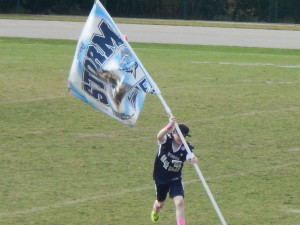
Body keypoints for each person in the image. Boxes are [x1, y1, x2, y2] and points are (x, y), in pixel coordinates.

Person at [151, 116, 198, 225]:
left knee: (180, 202)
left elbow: (190, 156)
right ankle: (155, 210)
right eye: (179, 135)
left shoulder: (185, 147)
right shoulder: (166, 140)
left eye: (184, 136)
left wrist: (193, 159)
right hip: (161, 178)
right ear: (173, 133)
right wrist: (169, 126)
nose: (181, 138)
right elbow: (159, 136)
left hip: (175, 179)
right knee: (160, 204)